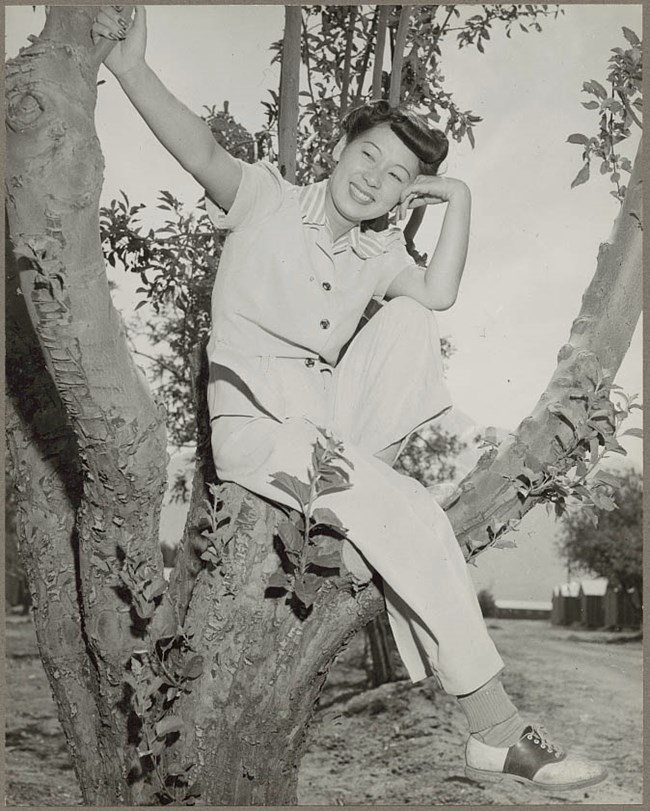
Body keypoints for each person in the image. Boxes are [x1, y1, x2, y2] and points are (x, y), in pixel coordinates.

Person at [93, 6, 607, 792]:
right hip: (257, 422)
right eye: (367, 157)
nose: (374, 178)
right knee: (414, 511)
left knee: (408, 319)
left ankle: (359, 505)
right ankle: (495, 727)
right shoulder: (266, 197)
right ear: (336, 149)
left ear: (408, 193)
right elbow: (198, 146)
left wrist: (457, 193)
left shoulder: (377, 251)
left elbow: (438, 290)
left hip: (328, 419)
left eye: (398, 175)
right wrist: (129, 68)